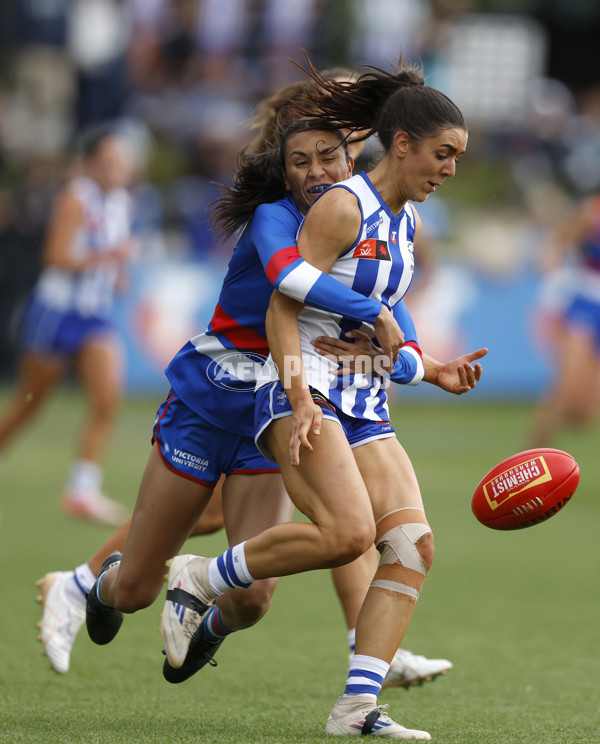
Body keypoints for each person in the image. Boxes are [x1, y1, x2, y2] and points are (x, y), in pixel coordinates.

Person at [90, 58, 484, 739]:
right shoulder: (336, 208)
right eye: (443, 154)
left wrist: (429, 368)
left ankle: (356, 707)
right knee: (346, 535)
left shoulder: (407, 223)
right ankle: (181, 580)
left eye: (457, 157)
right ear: (400, 144)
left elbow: (392, 319)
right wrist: (301, 395)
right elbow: (284, 297)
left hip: (362, 399)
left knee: (411, 545)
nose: (450, 169)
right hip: (285, 390)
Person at [0, 125, 135, 526]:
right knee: (29, 403)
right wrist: (110, 256)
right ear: (90, 164)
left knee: (107, 398)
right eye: (108, 161)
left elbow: (113, 260)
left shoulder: (123, 203)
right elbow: (56, 257)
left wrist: (117, 271)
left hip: (93, 315)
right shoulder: (77, 198)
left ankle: (82, 489)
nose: (116, 169)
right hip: (56, 313)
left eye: (120, 162)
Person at [530, 191, 600, 447]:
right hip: (586, 303)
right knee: (565, 386)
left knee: (582, 416)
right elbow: (557, 241)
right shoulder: (593, 210)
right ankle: (529, 463)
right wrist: (553, 271)